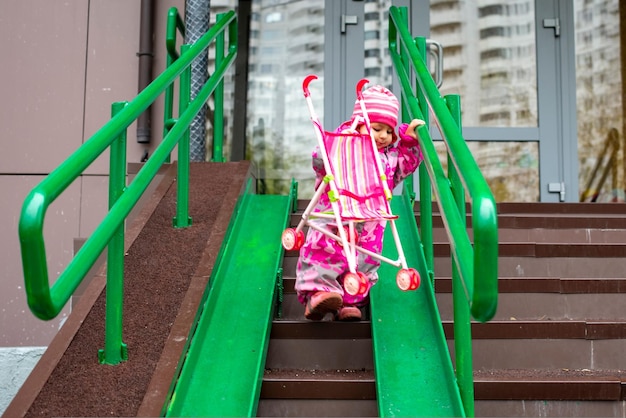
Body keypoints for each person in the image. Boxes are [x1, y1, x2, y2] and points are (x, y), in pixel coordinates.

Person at [295, 85, 425, 321]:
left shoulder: (388, 157)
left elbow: (403, 167)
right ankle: (318, 294)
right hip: (336, 214)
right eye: (376, 128)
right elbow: (319, 159)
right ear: (359, 123)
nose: (383, 135)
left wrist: (408, 143)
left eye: (389, 131)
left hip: (370, 220)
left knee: (365, 259)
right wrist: (343, 141)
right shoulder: (343, 146)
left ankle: (350, 301)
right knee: (326, 251)